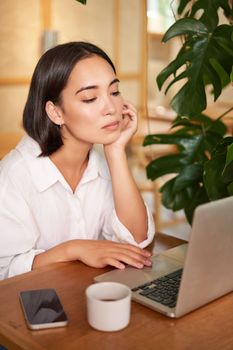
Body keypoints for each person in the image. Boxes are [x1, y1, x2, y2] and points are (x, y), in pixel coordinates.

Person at [0, 42, 155, 279]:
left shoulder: (100, 163)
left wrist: (115, 152)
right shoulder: (14, 176)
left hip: (85, 296)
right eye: (90, 98)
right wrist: (74, 249)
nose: (111, 108)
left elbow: (136, 241)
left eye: (114, 92)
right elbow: (5, 272)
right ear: (56, 113)